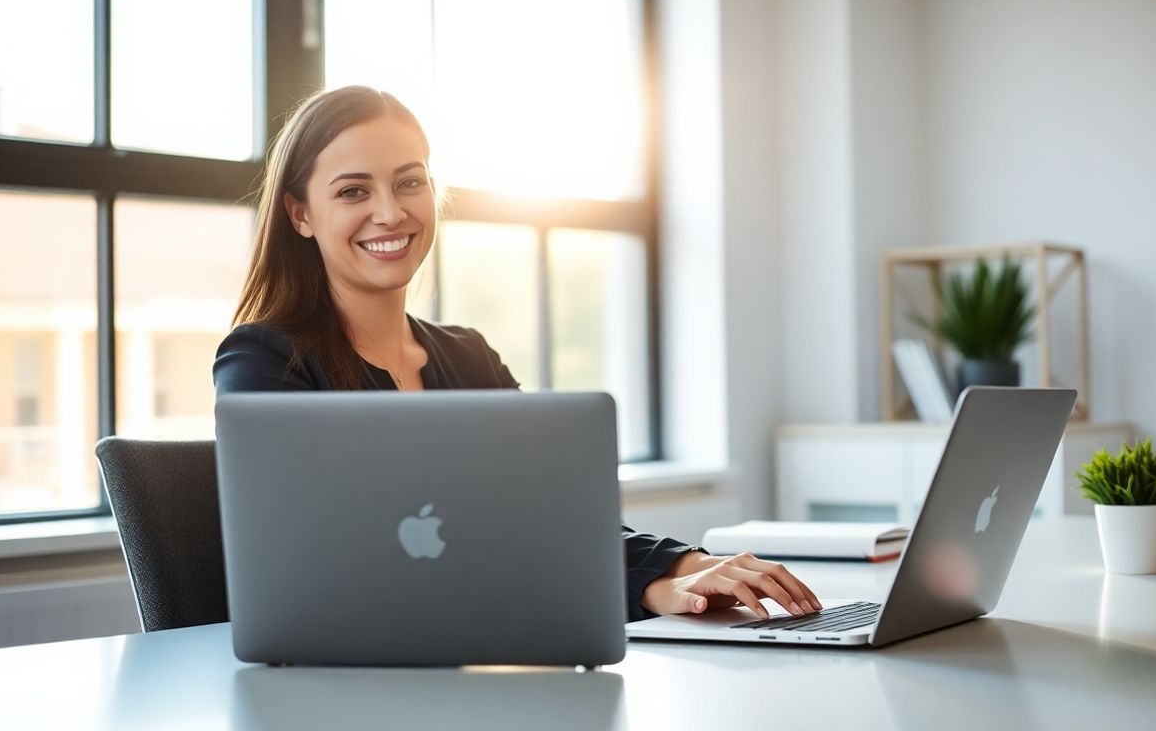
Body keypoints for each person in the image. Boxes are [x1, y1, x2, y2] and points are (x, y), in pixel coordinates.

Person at [213, 85, 822, 623]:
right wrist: (645, 584)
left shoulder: (469, 357)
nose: (390, 212)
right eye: (353, 190)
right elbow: (322, 561)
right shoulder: (264, 362)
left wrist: (687, 568)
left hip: (488, 659)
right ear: (300, 214)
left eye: (410, 182)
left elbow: (557, 516)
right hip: (341, 681)